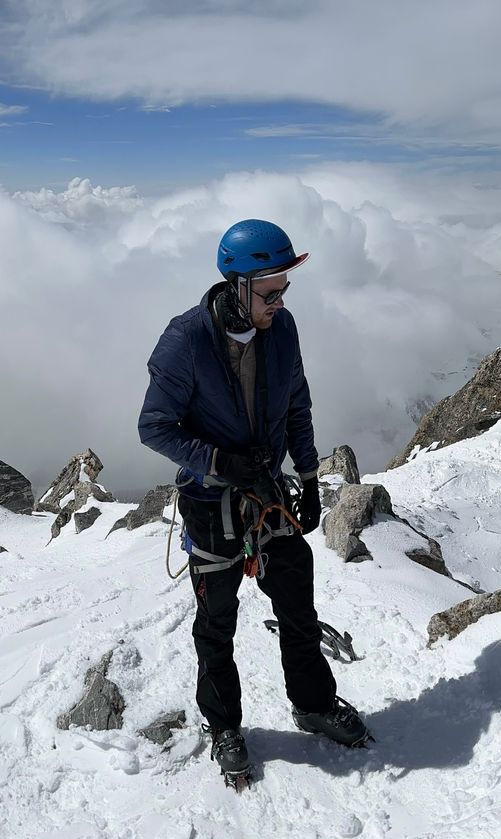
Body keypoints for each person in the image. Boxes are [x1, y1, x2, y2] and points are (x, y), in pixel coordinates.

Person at [137, 218, 371, 786]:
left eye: (285, 289)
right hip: (211, 500)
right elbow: (154, 427)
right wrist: (219, 461)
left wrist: (311, 478)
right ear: (237, 286)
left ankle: (313, 703)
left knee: (297, 602)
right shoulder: (186, 339)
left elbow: (297, 404)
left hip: (269, 492)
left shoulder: (282, 330)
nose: (280, 302)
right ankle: (224, 727)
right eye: (271, 292)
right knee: (216, 621)